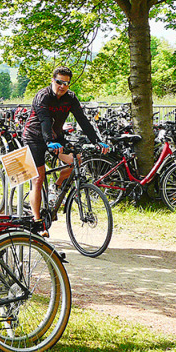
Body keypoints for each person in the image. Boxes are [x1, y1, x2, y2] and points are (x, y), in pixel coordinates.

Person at [21, 67, 109, 233]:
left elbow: (82, 120)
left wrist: (97, 141)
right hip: (34, 137)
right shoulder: (43, 96)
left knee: (75, 160)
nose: (62, 86)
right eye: (59, 82)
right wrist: (48, 141)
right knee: (38, 179)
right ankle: (37, 221)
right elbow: (45, 120)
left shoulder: (71, 98)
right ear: (52, 80)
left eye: (66, 83)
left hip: (55, 136)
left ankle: (57, 186)